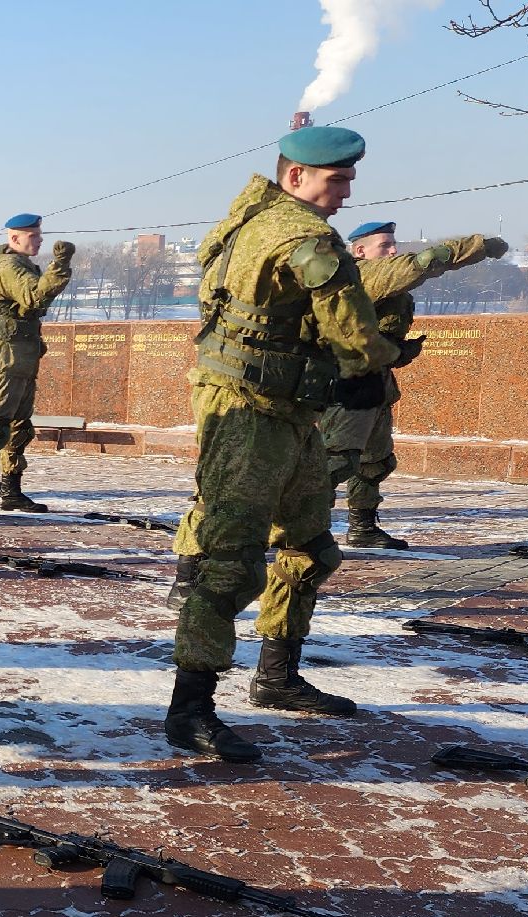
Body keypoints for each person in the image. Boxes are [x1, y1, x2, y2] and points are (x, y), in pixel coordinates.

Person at [163, 126, 405, 764]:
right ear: (296, 175)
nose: (347, 192)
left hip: (285, 410)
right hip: (248, 415)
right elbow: (348, 322)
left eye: (349, 179)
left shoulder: (257, 213)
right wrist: (375, 362)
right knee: (229, 563)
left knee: (309, 547)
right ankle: (190, 711)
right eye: (337, 179)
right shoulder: (302, 234)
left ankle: (275, 675)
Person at [327, 221, 508, 549]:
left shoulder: (383, 282)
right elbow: (422, 264)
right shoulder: (361, 276)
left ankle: (362, 528)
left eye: (393, 244)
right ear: (360, 251)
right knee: (333, 463)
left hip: (374, 383)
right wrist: (477, 247)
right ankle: (297, 532)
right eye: (385, 245)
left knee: (373, 461)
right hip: (344, 388)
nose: (393, 250)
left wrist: (398, 351)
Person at [0, 214, 73, 521]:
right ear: (15, 238)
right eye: (33, 236)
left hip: (21, 354)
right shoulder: (9, 268)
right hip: (4, 357)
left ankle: (10, 491)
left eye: (39, 236)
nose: (39, 241)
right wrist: (60, 264)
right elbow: (35, 295)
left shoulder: (22, 266)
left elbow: (33, 305)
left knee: (20, 427)